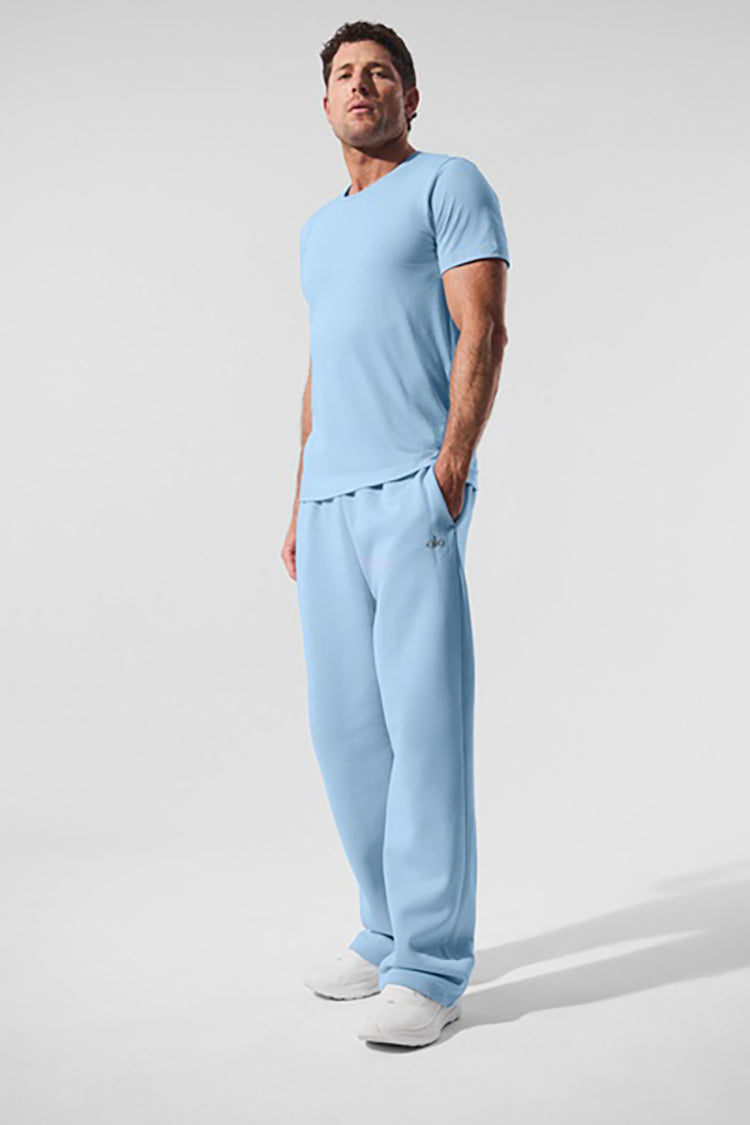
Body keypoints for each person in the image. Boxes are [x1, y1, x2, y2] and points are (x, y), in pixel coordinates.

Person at [281, 20, 510, 1048]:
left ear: (410, 99)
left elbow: (483, 327)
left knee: (424, 729)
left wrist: (449, 469)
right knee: (346, 731)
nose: (361, 85)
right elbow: (323, 366)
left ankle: (432, 964)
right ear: (326, 102)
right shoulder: (317, 230)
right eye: (345, 74)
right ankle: (383, 929)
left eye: (380, 73)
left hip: (412, 490)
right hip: (330, 502)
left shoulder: (449, 184)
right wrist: (297, 497)